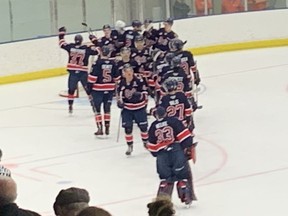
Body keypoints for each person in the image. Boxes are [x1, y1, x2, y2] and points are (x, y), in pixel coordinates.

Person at [147, 106, 197, 206]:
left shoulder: (153, 126)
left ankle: (162, 202)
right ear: (166, 113)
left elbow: (152, 147)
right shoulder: (174, 121)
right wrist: (187, 148)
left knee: (165, 179)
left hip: (162, 155)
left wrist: (159, 151)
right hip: (176, 151)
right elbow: (185, 137)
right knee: (182, 176)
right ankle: (186, 196)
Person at [58, 26, 99, 114]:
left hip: (73, 73)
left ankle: (70, 106)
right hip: (83, 73)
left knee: (71, 90)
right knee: (89, 91)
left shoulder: (70, 47)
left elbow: (61, 44)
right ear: (81, 41)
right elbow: (98, 51)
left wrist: (61, 33)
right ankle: (94, 106)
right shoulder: (86, 49)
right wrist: (94, 40)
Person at [87, 46, 120, 136]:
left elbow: (92, 78)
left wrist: (88, 91)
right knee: (107, 109)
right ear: (109, 53)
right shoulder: (113, 63)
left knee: (97, 110)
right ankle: (107, 127)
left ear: (101, 52)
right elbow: (117, 78)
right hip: (109, 89)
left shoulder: (97, 63)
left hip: (98, 89)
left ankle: (100, 128)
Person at [116, 64, 149, 155]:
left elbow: (146, 93)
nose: (129, 74)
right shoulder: (120, 83)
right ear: (123, 73)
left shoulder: (139, 81)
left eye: (130, 71)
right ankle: (129, 146)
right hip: (127, 109)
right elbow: (118, 95)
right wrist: (119, 103)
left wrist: (140, 97)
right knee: (128, 128)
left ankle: (146, 143)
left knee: (143, 127)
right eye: (127, 72)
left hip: (139, 108)